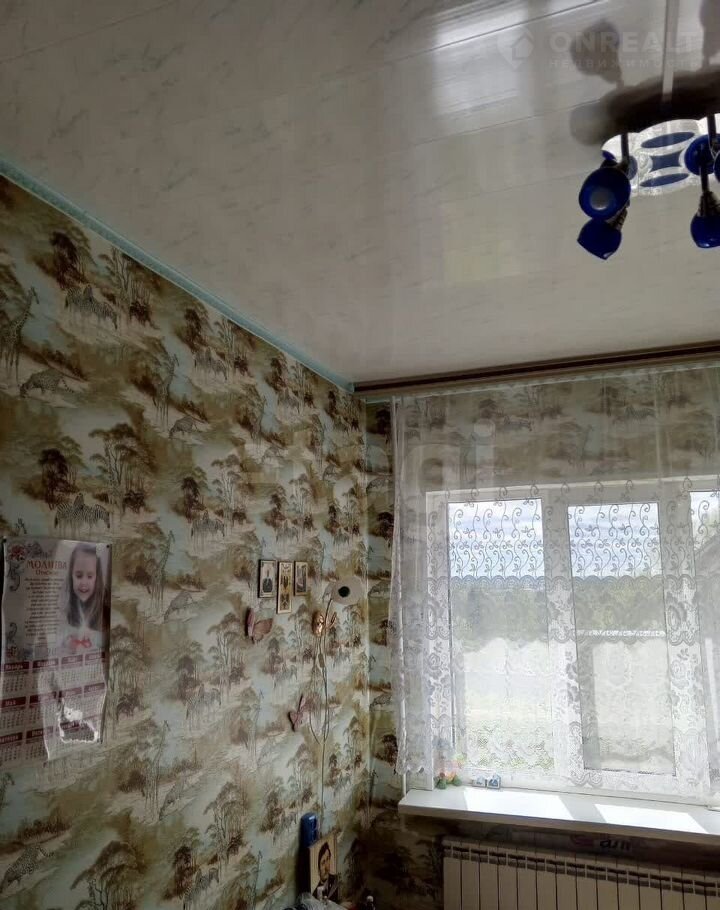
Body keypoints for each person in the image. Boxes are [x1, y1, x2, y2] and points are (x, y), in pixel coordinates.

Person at [60, 543, 106, 654]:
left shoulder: (103, 608)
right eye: (79, 576)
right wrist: (68, 641)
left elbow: (110, 640)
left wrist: (93, 636)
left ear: (96, 578)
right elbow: (59, 635)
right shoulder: (65, 607)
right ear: (71, 576)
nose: (84, 582)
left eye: (90, 576)